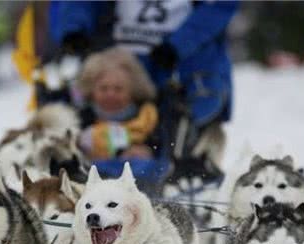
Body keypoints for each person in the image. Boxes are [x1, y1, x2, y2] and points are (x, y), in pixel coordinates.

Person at [52, 1, 238, 183]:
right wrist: (73, 29)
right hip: (115, 56)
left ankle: (162, 164)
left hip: (181, 66)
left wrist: (179, 45)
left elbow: (217, 8)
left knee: (173, 123)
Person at [76, 47, 159, 161]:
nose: (111, 95)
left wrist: (145, 152)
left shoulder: (149, 118)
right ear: (91, 90)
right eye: (103, 88)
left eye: (118, 89)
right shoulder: (79, 121)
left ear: (133, 91)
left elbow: (160, 151)